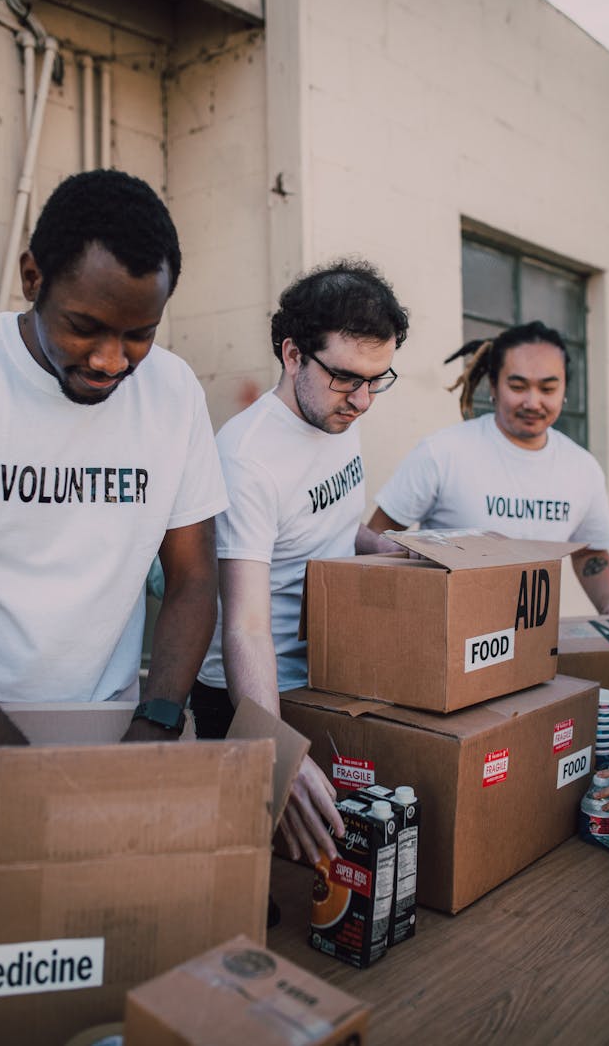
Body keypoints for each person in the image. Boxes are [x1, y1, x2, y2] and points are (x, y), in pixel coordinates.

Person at [0, 169, 228, 746]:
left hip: (106, 725)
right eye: (84, 328)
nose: (111, 361)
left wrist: (157, 720)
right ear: (32, 277)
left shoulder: (174, 392)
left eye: (140, 333)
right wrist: (23, 774)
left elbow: (193, 578)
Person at [193, 260, 409, 865]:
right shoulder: (247, 458)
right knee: (253, 892)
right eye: (346, 378)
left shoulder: (341, 415)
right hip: (253, 696)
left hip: (329, 673)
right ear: (292, 355)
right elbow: (244, 625)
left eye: (378, 379)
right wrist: (275, 746)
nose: (363, 400)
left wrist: (407, 553)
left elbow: (338, 528)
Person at [368, 320, 609, 615]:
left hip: (535, 642)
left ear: (564, 389)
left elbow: (590, 552)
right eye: (517, 386)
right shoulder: (443, 452)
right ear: (493, 386)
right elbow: (378, 536)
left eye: (548, 388)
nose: (533, 401)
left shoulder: (583, 468)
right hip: (447, 639)